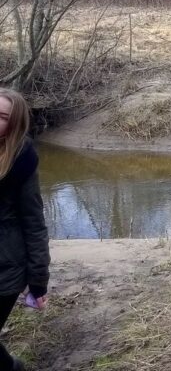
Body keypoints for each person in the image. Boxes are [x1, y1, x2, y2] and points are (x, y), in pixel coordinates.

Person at [0, 89, 50, 371]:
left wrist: (38, 279)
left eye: (2, 117)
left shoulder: (22, 161)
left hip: (6, 269)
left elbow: (34, 222)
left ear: (14, 123)